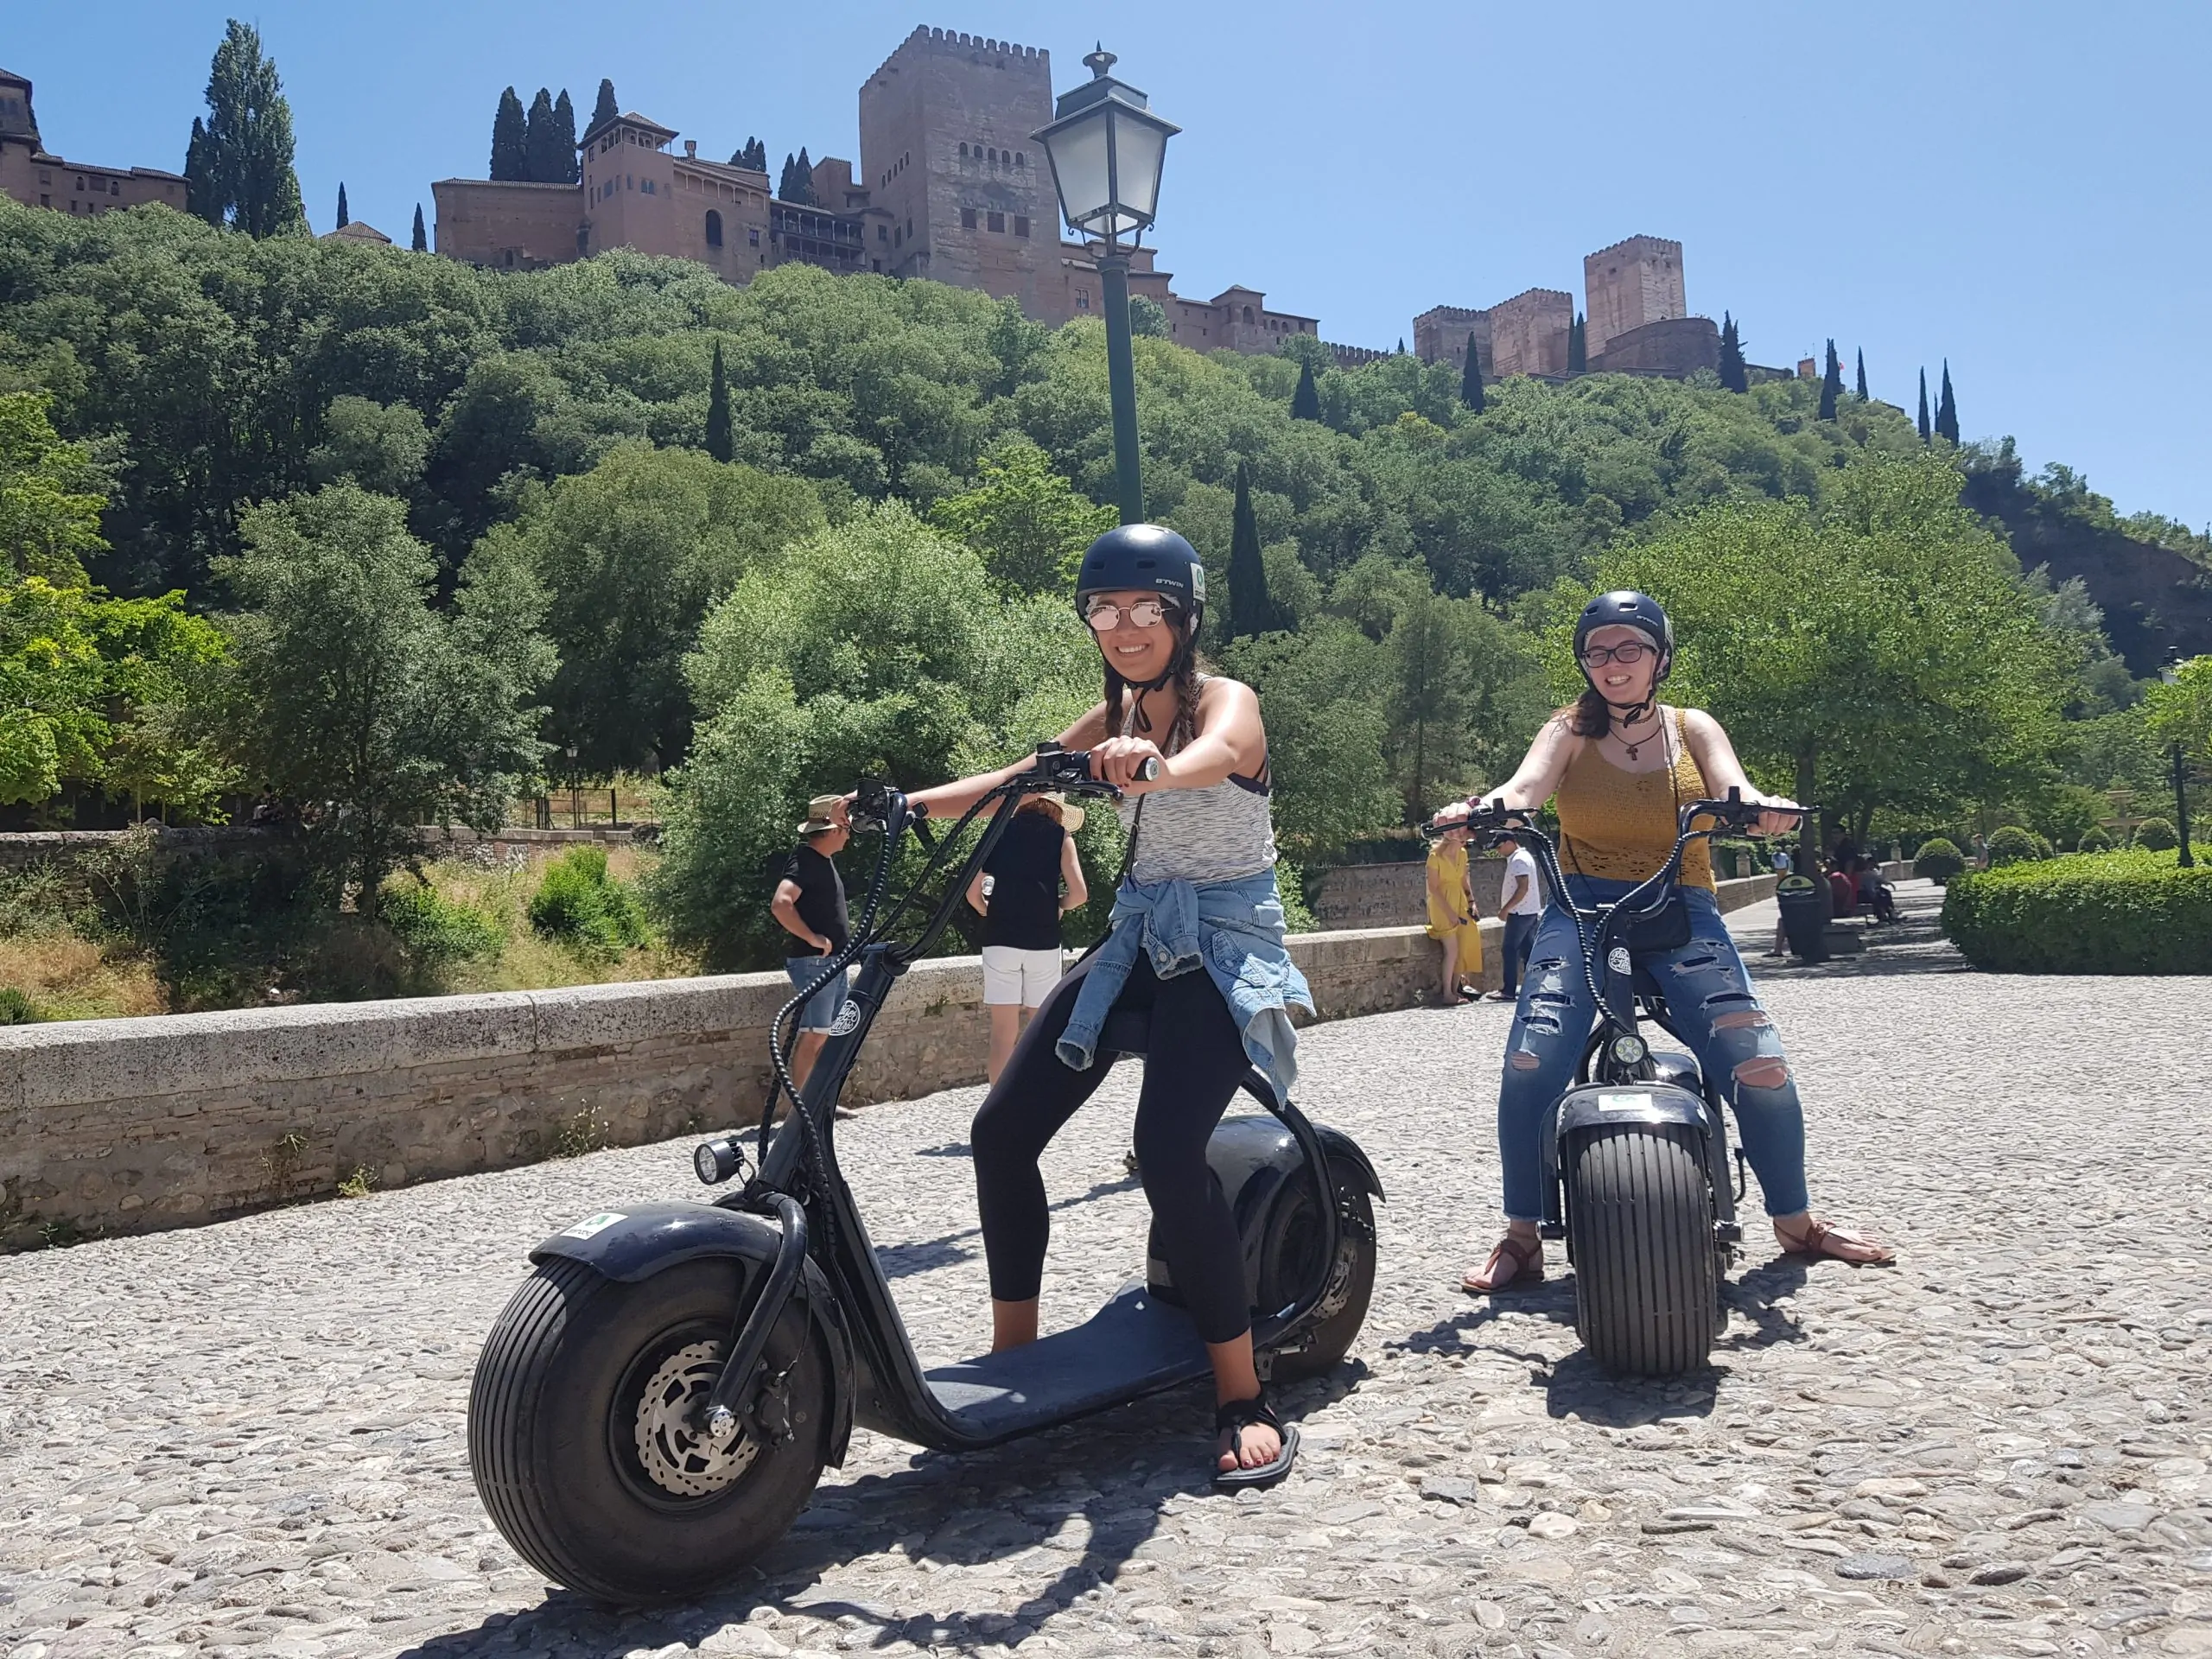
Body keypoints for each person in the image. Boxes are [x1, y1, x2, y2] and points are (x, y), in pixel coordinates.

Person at [900, 524, 1313, 1488]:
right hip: (1135, 939)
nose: (1124, 628)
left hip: (1222, 948)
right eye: (1105, 611)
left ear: (1183, 616)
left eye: (1145, 609)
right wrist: (902, 807)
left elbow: (1219, 753)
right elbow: (1017, 782)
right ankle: (1015, 1359)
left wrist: (1153, 766)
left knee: (1167, 1154)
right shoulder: (1113, 712)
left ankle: (1242, 1393)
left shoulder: (1225, 700)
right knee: (1001, 1133)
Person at [1436, 590, 1894, 1294]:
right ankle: (1522, 1237)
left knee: (1758, 1061)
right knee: (1532, 1058)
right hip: (1582, 909)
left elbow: (1734, 787)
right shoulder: (1568, 728)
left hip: (1680, 905)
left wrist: (1757, 808)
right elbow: (1524, 788)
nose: (1613, 663)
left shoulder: (1691, 728)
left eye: (1630, 648)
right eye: (1598, 652)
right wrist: (1480, 810)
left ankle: (1796, 1221)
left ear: (1660, 657)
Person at [966, 793, 1089, 1084]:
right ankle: (1035, 1100)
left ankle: (997, 1104)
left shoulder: (998, 831)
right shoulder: (1061, 837)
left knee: (1002, 1035)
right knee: (1041, 1031)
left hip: (1000, 940)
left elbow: (972, 893)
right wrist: (1058, 905)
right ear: (1056, 808)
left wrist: (987, 910)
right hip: (1042, 942)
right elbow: (1079, 895)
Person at [769, 797, 853, 1092]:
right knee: (815, 1034)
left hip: (834, 963)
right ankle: (801, 1107)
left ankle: (819, 1102)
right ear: (833, 830)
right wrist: (811, 937)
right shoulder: (805, 861)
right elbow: (781, 903)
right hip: (816, 962)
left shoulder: (822, 862)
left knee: (830, 1035)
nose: (849, 835)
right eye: (846, 829)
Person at [1424, 823, 1484, 1002]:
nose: (1466, 841)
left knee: (1463, 945)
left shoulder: (1462, 854)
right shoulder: (1434, 857)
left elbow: (1464, 880)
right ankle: (1447, 993)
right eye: (1464, 837)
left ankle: (1455, 991)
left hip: (1460, 902)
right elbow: (1433, 889)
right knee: (1452, 950)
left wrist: (1472, 902)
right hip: (1442, 905)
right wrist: (1449, 913)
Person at [1487, 830, 1541, 1002]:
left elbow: (1522, 888)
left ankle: (1509, 990)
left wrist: (1506, 909)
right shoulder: (1525, 857)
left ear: (1509, 843)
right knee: (1528, 951)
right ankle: (1534, 987)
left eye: (1499, 847)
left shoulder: (1518, 860)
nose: (1498, 851)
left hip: (1520, 913)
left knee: (1509, 950)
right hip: (1529, 911)